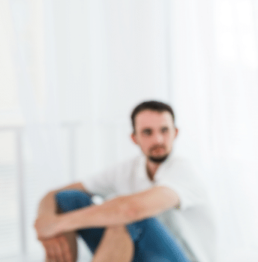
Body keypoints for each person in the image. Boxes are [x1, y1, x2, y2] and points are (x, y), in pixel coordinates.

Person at [34, 101, 215, 262]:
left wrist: (57, 224)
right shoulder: (127, 169)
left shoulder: (184, 171)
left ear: (175, 133)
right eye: (147, 132)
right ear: (134, 138)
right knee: (70, 199)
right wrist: (46, 223)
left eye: (164, 130)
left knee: (132, 219)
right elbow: (53, 195)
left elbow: (131, 210)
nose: (158, 139)